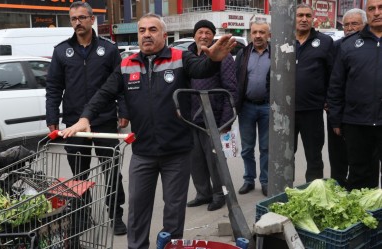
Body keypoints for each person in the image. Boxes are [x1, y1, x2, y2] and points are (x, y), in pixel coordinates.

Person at [61, 13, 237, 249]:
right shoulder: (127, 64)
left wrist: (213, 60)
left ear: (164, 35)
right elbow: (104, 93)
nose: (146, 34)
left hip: (177, 152)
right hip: (143, 152)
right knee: (137, 210)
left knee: (174, 212)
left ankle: (170, 246)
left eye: (152, 30)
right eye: (142, 30)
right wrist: (85, 118)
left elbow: (201, 69)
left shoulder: (180, 57)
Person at [45, 1, 129, 235]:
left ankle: (116, 214)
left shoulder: (109, 49)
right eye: (73, 19)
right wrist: (52, 116)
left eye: (82, 17)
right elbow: (53, 87)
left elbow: (120, 83)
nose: (78, 22)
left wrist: (124, 111)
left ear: (93, 20)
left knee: (111, 170)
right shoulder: (61, 51)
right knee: (79, 175)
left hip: (104, 121)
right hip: (74, 124)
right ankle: (83, 214)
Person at [327, 0, 382, 190]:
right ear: (367, 14)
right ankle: (362, 217)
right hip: (357, 123)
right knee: (359, 175)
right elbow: (336, 85)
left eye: (380, 8)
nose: (376, 12)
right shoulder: (349, 45)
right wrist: (335, 119)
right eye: (372, 9)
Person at [185, 19, 236, 211]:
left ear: (213, 36)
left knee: (215, 161)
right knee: (195, 160)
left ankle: (218, 194)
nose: (204, 36)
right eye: (200, 32)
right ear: (194, 36)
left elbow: (230, 89)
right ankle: (203, 193)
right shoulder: (187, 56)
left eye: (208, 32)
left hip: (213, 117)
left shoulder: (224, 56)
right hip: (191, 118)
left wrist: (226, 121)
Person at [327, 8, 368, 187]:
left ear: (364, 25)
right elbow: (328, 78)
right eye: (347, 24)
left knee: (362, 160)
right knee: (337, 157)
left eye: (355, 24)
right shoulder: (337, 47)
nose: (350, 28)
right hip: (337, 111)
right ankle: (338, 189)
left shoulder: (372, 46)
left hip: (362, 115)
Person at [295, 3, 334, 182]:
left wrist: (327, 99)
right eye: (300, 15)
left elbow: (332, 74)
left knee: (314, 156)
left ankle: (314, 191)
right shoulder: (282, 40)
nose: (304, 19)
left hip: (312, 110)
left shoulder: (325, 42)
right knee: (284, 155)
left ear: (313, 19)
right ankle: (284, 190)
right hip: (285, 111)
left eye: (307, 16)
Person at [234, 20, 271, 196]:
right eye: (255, 32)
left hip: (267, 107)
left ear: (268, 35)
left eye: (262, 32)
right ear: (250, 34)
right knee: (247, 147)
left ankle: (265, 181)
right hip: (247, 107)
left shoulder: (275, 53)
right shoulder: (243, 53)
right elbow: (236, 79)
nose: (257, 36)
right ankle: (249, 180)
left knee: (266, 147)